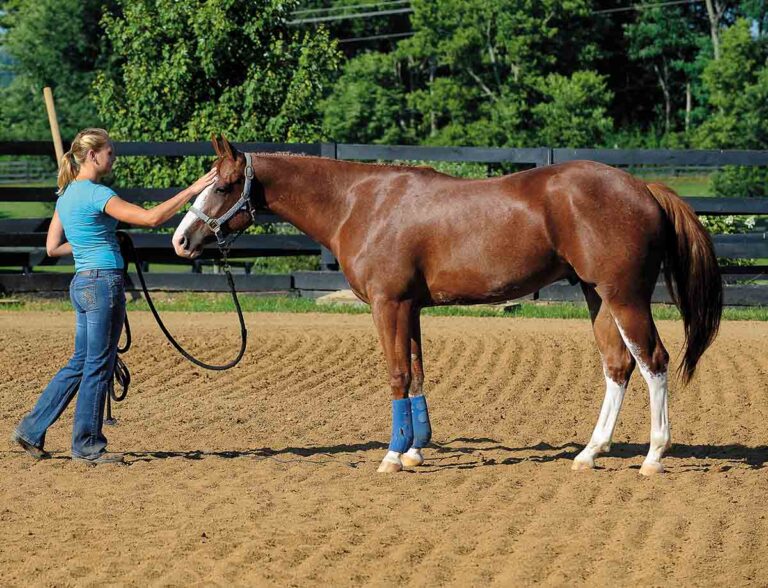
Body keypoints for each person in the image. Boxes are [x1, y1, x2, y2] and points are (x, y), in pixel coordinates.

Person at [11, 128, 216, 465]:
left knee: (81, 362)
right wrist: (194, 189)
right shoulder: (97, 194)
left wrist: (91, 242)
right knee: (97, 365)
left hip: (81, 284)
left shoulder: (65, 196)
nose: (113, 156)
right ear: (92, 155)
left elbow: (52, 247)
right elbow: (152, 218)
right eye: (109, 151)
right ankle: (87, 445)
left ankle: (31, 428)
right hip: (104, 284)